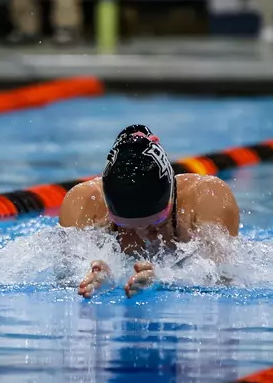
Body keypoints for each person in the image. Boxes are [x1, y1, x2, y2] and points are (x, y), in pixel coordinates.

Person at [58, 125, 240, 298]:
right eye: (125, 227)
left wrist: (163, 280)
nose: (144, 234)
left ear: (171, 199)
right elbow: (64, 275)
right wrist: (102, 280)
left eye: (156, 224)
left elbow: (223, 279)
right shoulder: (85, 203)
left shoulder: (205, 198)